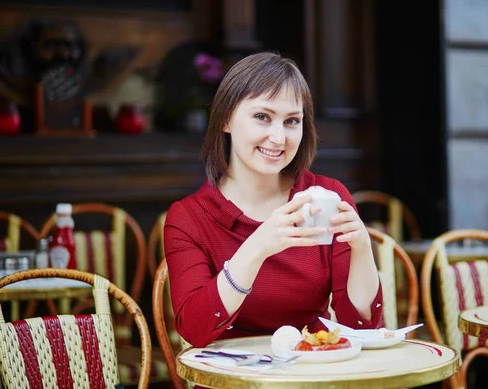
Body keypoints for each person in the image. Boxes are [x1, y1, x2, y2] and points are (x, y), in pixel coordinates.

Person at [164, 51, 383, 349]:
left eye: (292, 121)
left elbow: (359, 325)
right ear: (226, 119)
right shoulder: (189, 217)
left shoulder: (326, 198)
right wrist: (257, 246)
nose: (278, 138)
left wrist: (362, 249)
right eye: (262, 117)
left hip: (313, 373)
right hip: (233, 379)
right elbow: (194, 328)